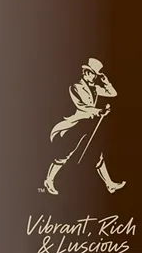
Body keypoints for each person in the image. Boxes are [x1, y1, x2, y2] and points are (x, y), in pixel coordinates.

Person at [40, 58, 126, 195]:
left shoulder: (95, 88)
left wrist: (106, 82)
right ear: (85, 72)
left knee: (98, 154)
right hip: (76, 125)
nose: (93, 77)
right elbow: (83, 107)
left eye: (95, 75)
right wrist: (99, 111)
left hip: (89, 126)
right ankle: (49, 180)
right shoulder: (76, 87)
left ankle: (109, 184)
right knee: (65, 153)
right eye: (91, 73)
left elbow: (113, 93)